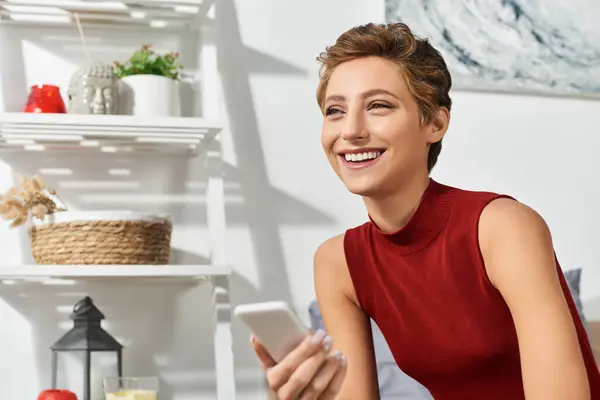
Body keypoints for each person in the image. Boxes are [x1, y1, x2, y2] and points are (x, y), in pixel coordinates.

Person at [251, 22, 600, 400]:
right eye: (335, 110)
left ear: (435, 122)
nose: (350, 130)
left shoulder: (502, 227)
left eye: (378, 106)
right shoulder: (338, 264)